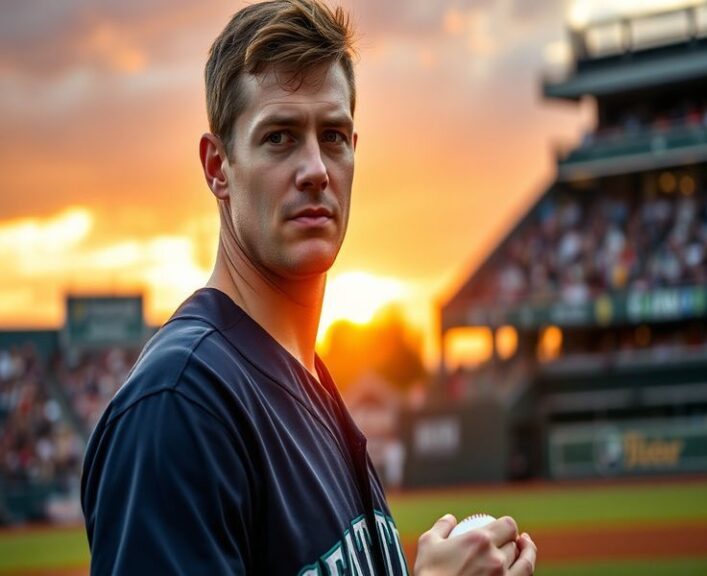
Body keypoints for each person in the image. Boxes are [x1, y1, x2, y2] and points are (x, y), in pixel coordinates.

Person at [80, 1, 537, 574]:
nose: (316, 167)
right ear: (217, 166)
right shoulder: (179, 405)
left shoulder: (313, 383)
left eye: (334, 135)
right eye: (279, 137)